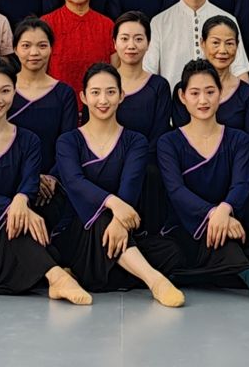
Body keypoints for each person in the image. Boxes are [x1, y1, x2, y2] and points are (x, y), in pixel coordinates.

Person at [0, 58, 93, 303]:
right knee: (34, 248)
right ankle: (57, 278)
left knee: (38, 247)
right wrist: (13, 208)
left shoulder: (28, 139)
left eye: (5, 91)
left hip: (17, 221)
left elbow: (30, 182)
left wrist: (22, 200)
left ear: (15, 91)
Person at [54, 63, 186, 306]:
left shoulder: (135, 141)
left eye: (110, 92)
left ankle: (92, 272)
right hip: (79, 227)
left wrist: (119, 222)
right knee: (100, 219)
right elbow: (75, 182)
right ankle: (154, 281)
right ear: (83, 97)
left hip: (122, 227)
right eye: (95, 92)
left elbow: (130, 184)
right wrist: (113, 205)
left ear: (121, 95)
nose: (103, 100)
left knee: (172, 252)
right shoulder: (68, 141)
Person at [157, 61, 249, 305]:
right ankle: (245, 274)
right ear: (182, 96)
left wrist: (224, 210)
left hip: (231, 222)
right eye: (195, 93)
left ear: (220, 93)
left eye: (210, 92)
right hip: (186, 227)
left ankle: (198, 276)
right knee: (165, 253)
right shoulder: (169, 142)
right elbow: (176, 190)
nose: (203, 100)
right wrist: (212, 214)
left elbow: (241, 184)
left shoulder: (238, 139)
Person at [146, 0, 249, 89]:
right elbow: (148, 73)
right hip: (173, 100)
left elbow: (240, 72)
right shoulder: (159, 22)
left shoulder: (227, 20)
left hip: (219, 100)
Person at [8, 19, 79, 184]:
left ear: (51, 48)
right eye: (26, 46)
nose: (34, 52)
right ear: (15, 49)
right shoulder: (3, 91)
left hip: (52, 184)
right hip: (10, 180)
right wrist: (27, 180)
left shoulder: (64, 94)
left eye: (42, 46)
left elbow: (68, 144)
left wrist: (52, 177)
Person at [40, 0, 112, 92]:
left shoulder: (108, 25)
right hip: (56, 100)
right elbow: (39, 74)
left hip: (98, 102)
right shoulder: (46, 24)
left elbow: (114, 72)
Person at [113, 13, 176, 141]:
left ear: (148, 43)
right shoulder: (102, 83)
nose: (131, 46)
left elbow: (159, 136)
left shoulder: (159, 86)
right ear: (115, 43)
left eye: (138, 39)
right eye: (124, 39)